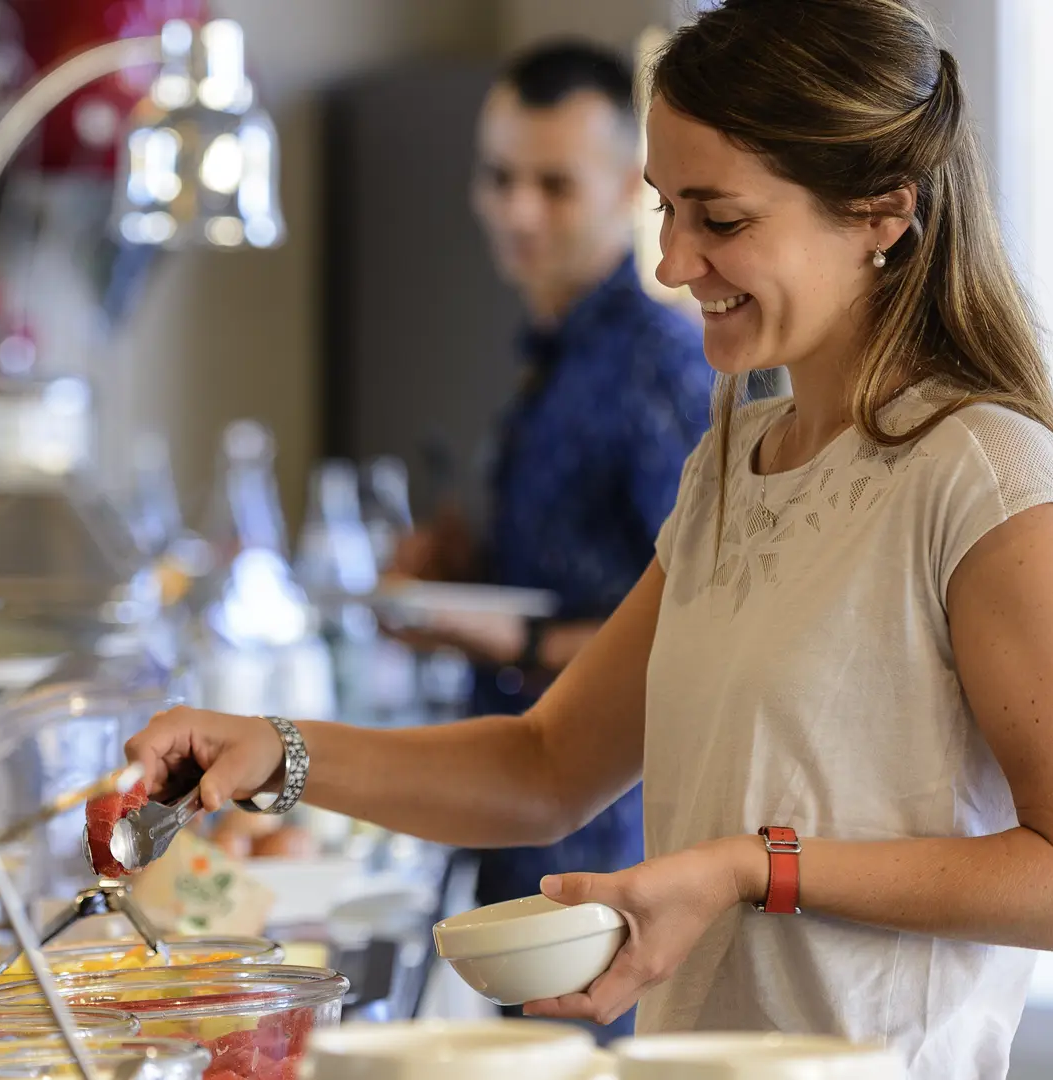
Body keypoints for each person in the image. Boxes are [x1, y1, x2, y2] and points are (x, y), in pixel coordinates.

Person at [126, 1, 1053, 1076]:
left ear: (881, 214)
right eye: (667, 209)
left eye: (720, 218)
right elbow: (548, 762)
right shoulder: (735, 460)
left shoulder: (983, 476)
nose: (671, 262)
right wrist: (276, 751)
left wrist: (754, 868)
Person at [388, 41, 713, 1039]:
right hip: (520, 815)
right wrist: (467, 571)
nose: (518, 210)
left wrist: (515, 645)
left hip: (606, 832)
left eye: (553, 185)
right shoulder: (548, 354)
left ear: (627, 189)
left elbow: (703, 623)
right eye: (500, 178)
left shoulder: (657, 372)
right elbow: (584, 571)